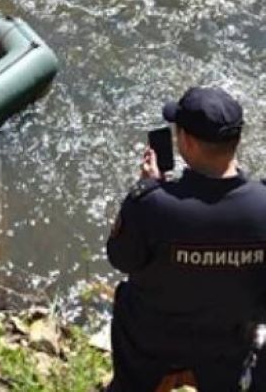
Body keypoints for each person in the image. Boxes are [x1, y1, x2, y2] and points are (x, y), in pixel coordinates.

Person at [106, 86, 266, 391]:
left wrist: (147, 189)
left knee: (126, 294)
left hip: (150, 344)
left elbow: (120, 258)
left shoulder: (152, 204)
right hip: (227, 348)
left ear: (187, 142)